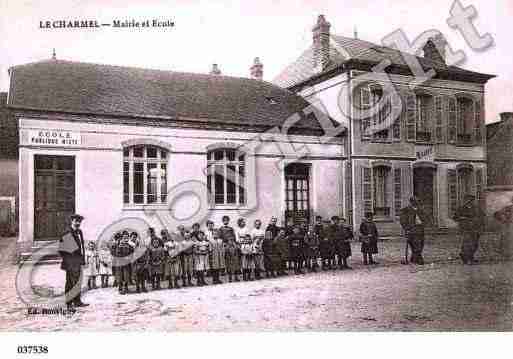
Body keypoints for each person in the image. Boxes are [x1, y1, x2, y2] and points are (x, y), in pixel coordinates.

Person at [58, 214, 89, 310]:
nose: (78, 223)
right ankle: (69, 303)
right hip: (71, 262)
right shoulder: (67, 233)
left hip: (78, 261)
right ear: (72, 221)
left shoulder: (79, 232)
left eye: (79, 221)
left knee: (77, 282)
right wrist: (69, 261)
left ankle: (77, 301)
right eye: (76, 221)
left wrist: (82, 259)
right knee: (71, 282)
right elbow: (63, 250)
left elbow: (81, 248)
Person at [454, 195, 485, 264]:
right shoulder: (461, 209)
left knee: (475, 244)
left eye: (471, 201)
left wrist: (481, 225)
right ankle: (466, 257)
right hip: (466, 228)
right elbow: (455, 217)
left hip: (475, 228)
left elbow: (482, 216)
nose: (470, 202)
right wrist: (463, 218)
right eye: (468, 200)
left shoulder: (477, 209)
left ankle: (470, 257)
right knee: (467, 243)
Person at [400, 197, 427, 265]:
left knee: (421, 244)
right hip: (411, 230)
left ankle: (414, 257)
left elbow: (425, 218)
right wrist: (407, 229)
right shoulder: (406, 210)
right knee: (415, 244)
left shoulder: (420, 210)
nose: (417, 203)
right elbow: (403, 221)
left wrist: (424, 223)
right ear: (411, 202)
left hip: (420, 229)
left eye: (418, 201)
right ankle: (419, 258)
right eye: (415, 202)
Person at [219, 216, 240, 282]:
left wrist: (234, 243)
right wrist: (224, 244)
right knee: (228, 261)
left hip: (232, 244)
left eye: (227, 220)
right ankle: (230, 277)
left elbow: (234, 236)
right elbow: (220, 237)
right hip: (226, 244)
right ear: (222, 221)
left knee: (235, 261)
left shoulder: (231, 228)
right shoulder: (221, 229)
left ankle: (236, 277)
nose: (226, 221)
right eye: (224, 220)